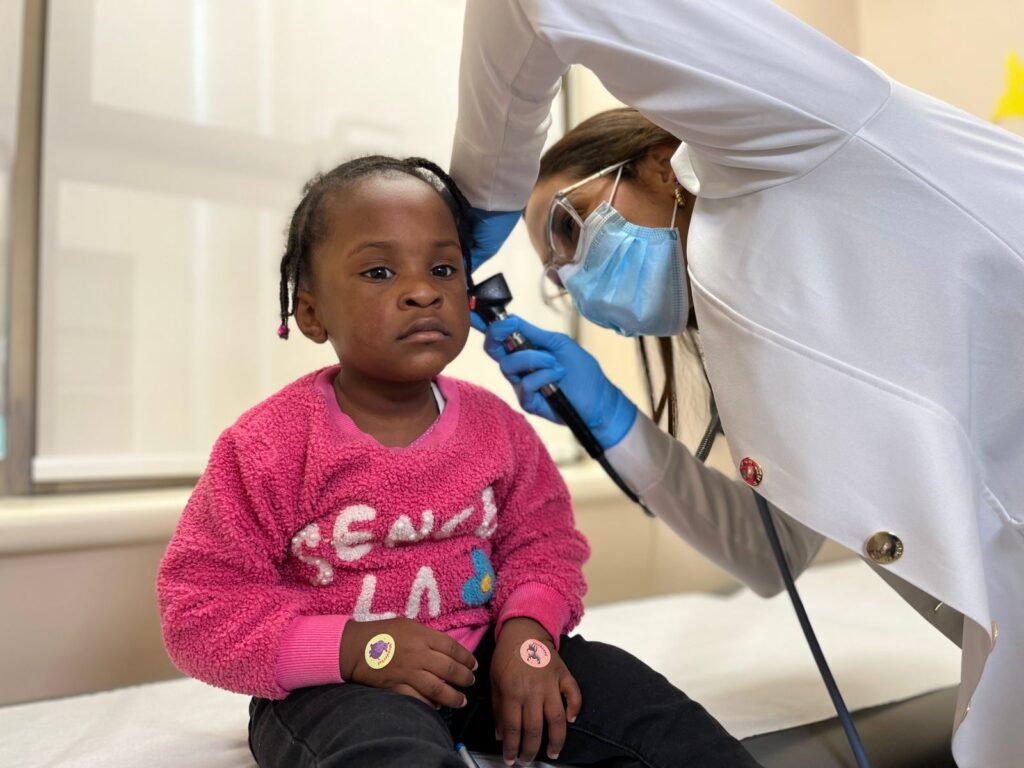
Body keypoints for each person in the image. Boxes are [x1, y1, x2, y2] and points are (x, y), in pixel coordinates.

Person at [448, 2, 1024, 767]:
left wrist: (481, 188)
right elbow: (769, 550)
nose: (571, 276)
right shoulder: (741, 345)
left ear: (658, 160)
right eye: (555, 274)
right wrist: (612, 418)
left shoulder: (801, 140)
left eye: (566, 226)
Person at [156, 155, 764, 768]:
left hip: (491, 661)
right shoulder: (269, 445)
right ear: (311, 313)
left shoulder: (496, 428)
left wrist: (529, 636)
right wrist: (357, 650)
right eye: (379, 270)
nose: (422, 289)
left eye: (444, 268)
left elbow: (544, 545)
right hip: (340, 685)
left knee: (644, 707)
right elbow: (199, 608)